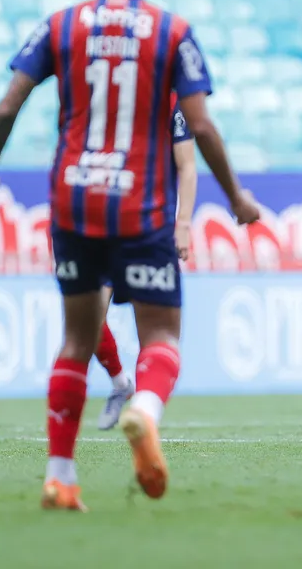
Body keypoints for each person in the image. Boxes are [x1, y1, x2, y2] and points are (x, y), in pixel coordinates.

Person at [0, 0, 260, 511]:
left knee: (76, 341)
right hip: (142, 206)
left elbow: (6, 106)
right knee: (161, 336)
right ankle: (144, 411)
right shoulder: (173, 32)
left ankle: (59, 476)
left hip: (73, 201)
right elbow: (199, 124)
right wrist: (234, 196)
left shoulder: (62, 25)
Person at [94, 101, 197, 431]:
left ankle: (144, 409)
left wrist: (182, 224)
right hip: (101, 226)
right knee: (90, 318)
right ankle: (122, 384)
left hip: (149, 229)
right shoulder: (107, 92)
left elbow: (187, 165)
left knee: (154, 332)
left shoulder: (171, 103)